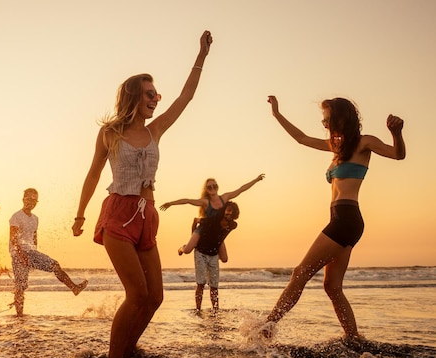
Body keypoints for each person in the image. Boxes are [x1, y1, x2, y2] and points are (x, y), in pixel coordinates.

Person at [72, 30, 213, 358]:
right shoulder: (110, 133)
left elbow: (186, 97)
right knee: (137, 294)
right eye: (150, 93)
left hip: (147, 216)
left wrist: (201, 55)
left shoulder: (156, 129)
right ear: (135, 96)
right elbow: (93, 174)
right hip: (118, 214)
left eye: (157, 93)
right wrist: (80, 215)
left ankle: (127, 350)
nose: (157, 99)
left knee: (155, 298)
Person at [262, 95, 406, 342]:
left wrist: (397, 133)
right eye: (324, 119)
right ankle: (353, 337)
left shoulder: (364, 143)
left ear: (342, 117)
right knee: (332, 286)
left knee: (300, 272)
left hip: (346, 219)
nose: (325, 123)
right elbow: (301, 138)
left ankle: (267, 327)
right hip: (343, 220)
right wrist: (276, 114)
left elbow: (397, 154)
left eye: (327, 118)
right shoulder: (335, 148)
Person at [8, 188, 88, 317]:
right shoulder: (16, 217)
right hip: (18, 254)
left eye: (34, 200)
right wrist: (21, 255)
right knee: (21, 286)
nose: (31, 202)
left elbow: (34, 235)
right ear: (23, 200)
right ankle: (19, 316)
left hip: (32, 252)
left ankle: (74, 288)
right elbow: (13, 238)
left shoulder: (35, 218)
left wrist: (35, 251)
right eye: (29, 199)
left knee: (55, 265)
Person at [160, 174, 264, 255]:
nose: (212, 188)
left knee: (224, 258)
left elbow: (241, 189)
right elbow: (187, 201)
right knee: (187, 250)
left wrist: (256, 180)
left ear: (217, 187)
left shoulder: (225, 197)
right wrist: (170, 203)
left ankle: (210, 260)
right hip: (204, 229)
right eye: (209, 187)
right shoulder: (205, 202)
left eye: (214, 186)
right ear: (206, 190)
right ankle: (181, 247)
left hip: (217, 232)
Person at [191, 201, 240, 313]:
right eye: (228, 210)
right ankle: (198, 309)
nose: (229, 213)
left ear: (235, 213)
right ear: (223, 211)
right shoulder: (212, 221)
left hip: (214, 254)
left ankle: (215, 310)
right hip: (201, 252)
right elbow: (195, 220)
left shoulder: (233, 225)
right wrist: (192, 238)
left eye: (232, 211)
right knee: (201, 282)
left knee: (214, 285)